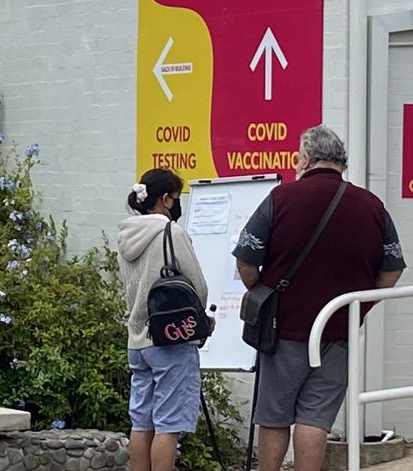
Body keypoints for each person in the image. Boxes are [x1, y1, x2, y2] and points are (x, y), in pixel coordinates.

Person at [233, 125, 406, 471]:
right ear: (341, 162)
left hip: (284, 329)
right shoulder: (372, 206)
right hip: (338, 330)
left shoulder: (281, 198)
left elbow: (246, 260)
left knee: (275, 416)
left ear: (306, 159)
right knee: (316, 417)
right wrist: (359, 303)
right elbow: (393, 269)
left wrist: (260, 291)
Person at [117, 168, 208, 471]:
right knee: (167, 424)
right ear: (165, 199)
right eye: (176, 198)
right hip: (171, 338)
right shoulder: (172, 232)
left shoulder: (126, 234)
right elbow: (198, 287)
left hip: (137, 338)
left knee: (141, 422)